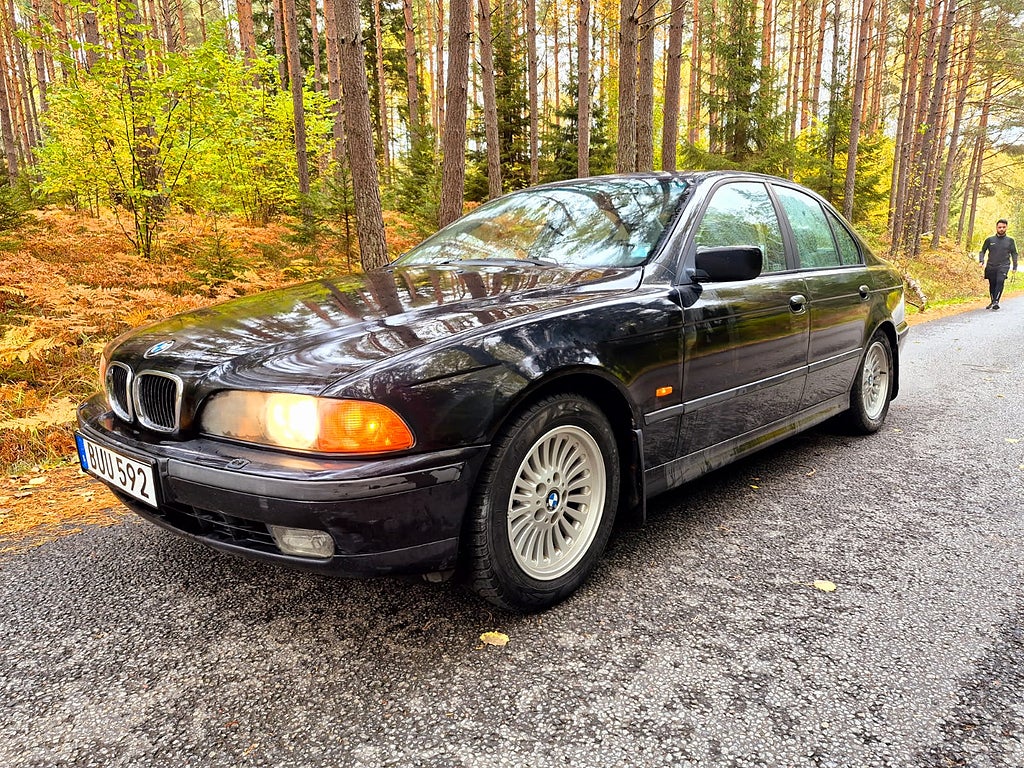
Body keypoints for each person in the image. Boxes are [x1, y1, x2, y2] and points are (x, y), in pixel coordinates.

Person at [978, 219, 1018, 310]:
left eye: (1003, 227)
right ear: (996, 227)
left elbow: (1014, 253)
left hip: (1004, 265)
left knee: (1000, 281)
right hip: (991, 265)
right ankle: (993, 301)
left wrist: (1015, 266)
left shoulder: (1010, 241)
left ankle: (996, 301)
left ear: (1006, 227)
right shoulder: (989, 240)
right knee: (992, 283)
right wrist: (981, 261)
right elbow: (982, 251)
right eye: (1000, 227)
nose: (1001, 229)